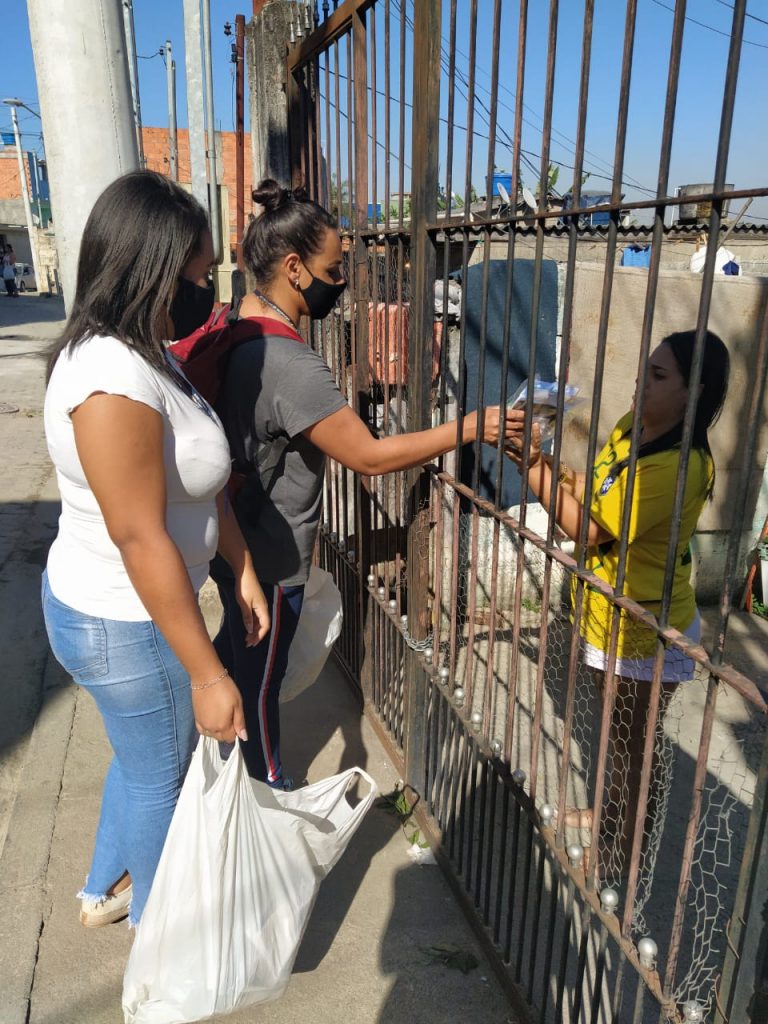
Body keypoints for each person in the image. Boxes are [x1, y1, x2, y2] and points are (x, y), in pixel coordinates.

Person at [207, 179, 525, 788]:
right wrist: (472, 426)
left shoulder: (240, 320)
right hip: (268, 557)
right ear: (294, 269)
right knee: (260, 687)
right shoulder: (289, 363)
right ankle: (266, 792)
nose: (342, 282)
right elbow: (371, 458)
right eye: (333, 270)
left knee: (239, 660)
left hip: (232, 534)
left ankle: (221, 756)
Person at [42, 170, 269, 928]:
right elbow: (139, 535)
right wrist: (209, 675)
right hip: (126, 621)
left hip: (123, 613)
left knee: (142, 758)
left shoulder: (145, 352)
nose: (207, 291)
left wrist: (239, 566)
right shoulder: (111, 378)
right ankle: (158, 944)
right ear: (150, 271)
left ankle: (102, 892)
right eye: (198, 276)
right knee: (160, 779)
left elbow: (198, 485)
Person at [507, 329, 730, 873]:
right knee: (615, 731)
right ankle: (608, 814)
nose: (640, 382)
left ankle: (621, 854)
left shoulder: (679, 467)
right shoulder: (636, 426)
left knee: (635, 747)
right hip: (607, 612)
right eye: (644, 369)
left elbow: (591, 529)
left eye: (658, 375)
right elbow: (598, 487)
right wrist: (553, 467)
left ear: (693, 392)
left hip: (645, 627)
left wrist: (530, 467)